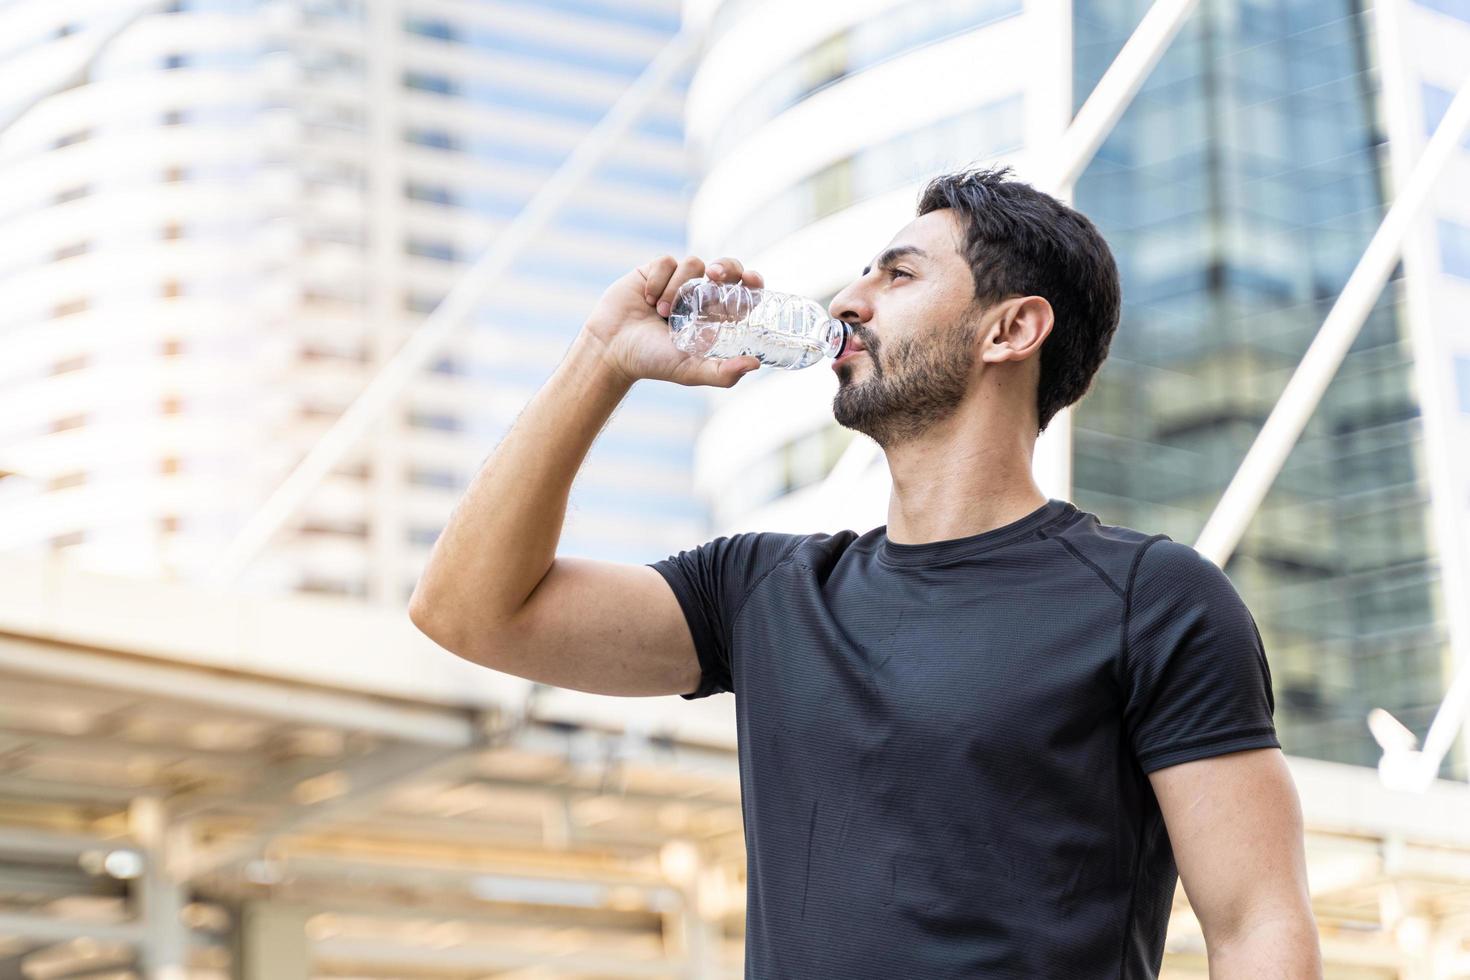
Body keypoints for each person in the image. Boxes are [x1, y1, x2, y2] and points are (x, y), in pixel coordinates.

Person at [409, 166, 1323, 978]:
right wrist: (603, 359)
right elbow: (468, 612)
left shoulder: (1155, 601)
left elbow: (1257, 931)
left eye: (897, 273)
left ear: (1011, 329)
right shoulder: (762, 594)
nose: (847, 302)